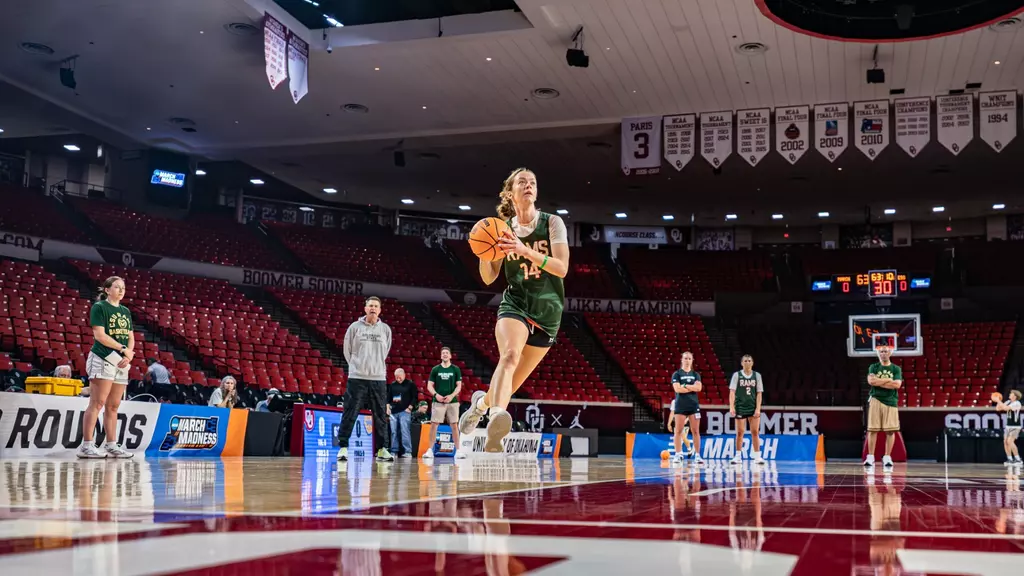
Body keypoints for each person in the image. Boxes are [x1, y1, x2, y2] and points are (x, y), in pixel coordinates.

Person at [458, 168, 569, 452]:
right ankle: (496, 420)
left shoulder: (553, 223)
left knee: (510, 385)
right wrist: (484, 251)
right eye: (522, 182)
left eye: (533, 181)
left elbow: (562, 268)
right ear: (510, 192)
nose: (529, 185)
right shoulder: (501, 228)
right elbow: (488, 277)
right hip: (516, 304)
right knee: (509, 356)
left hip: (548, 312)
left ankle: (481, 406)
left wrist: (524, 250)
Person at [79, 276, 134, 459]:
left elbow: (130, 336)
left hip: (121, 361)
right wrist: (123, 349)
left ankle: (111, 445)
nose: (121, 290)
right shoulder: (100, 307)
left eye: (123, 287)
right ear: (107, 290)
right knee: (97, 403)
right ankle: (87, 445)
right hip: (103, 357)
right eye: (117, 287)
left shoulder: (126, 311)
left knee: (113, 406)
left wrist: (127, 354)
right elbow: (100, 336)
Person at [337, 296, 393, 462]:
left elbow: (386, 351)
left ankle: (382, 449)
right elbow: (347, 350)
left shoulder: (385, 330)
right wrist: (356, 367)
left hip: (378, 378)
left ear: (380, 310)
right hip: (357, 377)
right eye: (370, 306)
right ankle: (343, 447)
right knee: (350, 411)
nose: (373, 308)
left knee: (380, 415)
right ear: (365, 309)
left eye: (376, 306)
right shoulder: (354, 327)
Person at [423, 348, 467, 459]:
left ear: (450, 356)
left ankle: (458, 451)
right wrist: (436, 395)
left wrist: (451, 396)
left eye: (447, 353)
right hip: (438, 402)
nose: (445, 354)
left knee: (454, 425)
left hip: (452, 402)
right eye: (443, 353)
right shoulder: (435, 369)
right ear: (441, 356)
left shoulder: (455, 369)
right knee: (434, 425)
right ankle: (430, 450)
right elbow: (429, 386)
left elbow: (459, 386)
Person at [865, 346, 902, 469]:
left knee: (890, 431)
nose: (883, 353)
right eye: (881, 351)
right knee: (872, 430)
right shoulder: (873, 367)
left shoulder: (896, 368)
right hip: (875, 399)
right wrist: (887, 380)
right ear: (878, 353)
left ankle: (887, 457)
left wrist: (879, 381)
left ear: (890, 352)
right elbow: (871, 382)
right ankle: (870, 457)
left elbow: (897, 385)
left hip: (891, 401)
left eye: (886, 351)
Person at [729, 355, 765, 465]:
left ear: (752, 363)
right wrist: (732, 406)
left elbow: (759, 393)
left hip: (753, 407)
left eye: (749, 360)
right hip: (740, 406)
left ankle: (757, 456)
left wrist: (758, 408)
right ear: (742, 363)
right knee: (740, 432)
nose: (747, 362)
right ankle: (738, 456)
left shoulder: (757, 375)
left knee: (755, 432)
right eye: (745, 361)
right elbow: (732, 392)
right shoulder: (737, 375)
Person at [671, 351, 704, 465]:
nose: (687, 360)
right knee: (678, 431)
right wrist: (691, 387)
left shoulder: (696, 374)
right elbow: (677, 389)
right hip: (680, 405)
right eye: (685, 358)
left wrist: (684, 385)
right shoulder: (677, 374)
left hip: (693, 406)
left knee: (695, 431)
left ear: (692, 360)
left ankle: (698, 456)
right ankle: (678, 454)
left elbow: (699, 388)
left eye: (689, 358)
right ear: (682, 360)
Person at [388, 368, 417, 458]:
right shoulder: (392, 385)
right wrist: (387, 407)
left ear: (404, 375)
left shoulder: (410, 384)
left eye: (399, 377)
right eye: (396, 377)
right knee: (393, 431)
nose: (398, 379)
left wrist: (410, 407)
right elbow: (388, 398)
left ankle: (407, 451)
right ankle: (394, 451)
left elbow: (415, 397)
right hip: (394, 411)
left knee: (405, 431)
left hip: (405, 411)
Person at [996, 389, 1023, 466]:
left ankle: (1018, 459)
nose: (1009, 394)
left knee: (1010, 441)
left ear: (1015, 396)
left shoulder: (1017, 403)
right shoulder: (1008, 402)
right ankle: (1010, 459)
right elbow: (998, 409)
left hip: (1015, 426)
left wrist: (998, 400)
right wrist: (999, 400)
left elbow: (1005, 408)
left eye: (1011, 394)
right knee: (1005, 442)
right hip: (1008, 426)